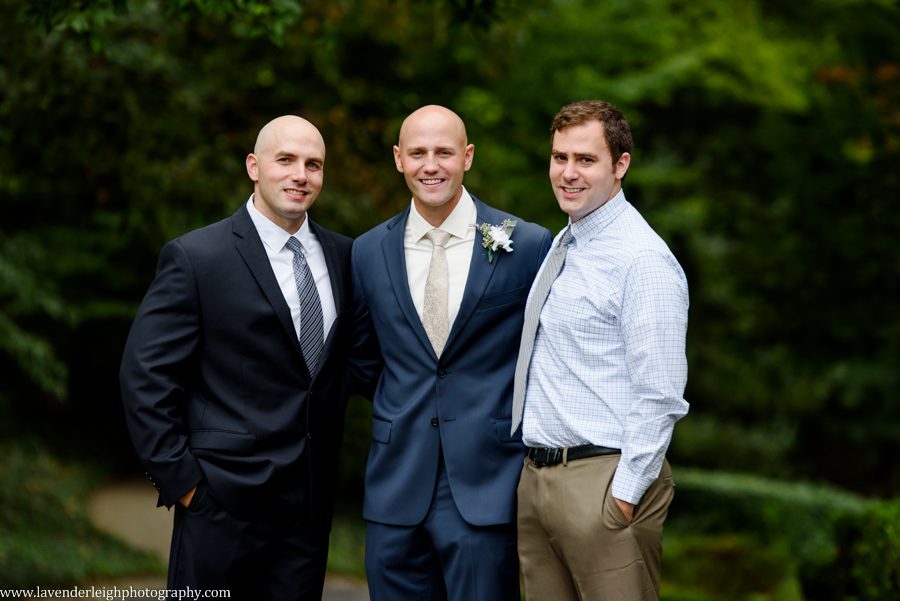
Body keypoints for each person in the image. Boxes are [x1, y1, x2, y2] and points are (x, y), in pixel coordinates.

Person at [119, 115, 353, 600]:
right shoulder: (196, 257)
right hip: (219, 507)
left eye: (313, 164)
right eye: (285, 160)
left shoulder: (345, 257)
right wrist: (184, 483)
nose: (300, 175)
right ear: (253, 166)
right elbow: (145, 376)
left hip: (307, 517)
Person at [349, 105, 552, 600]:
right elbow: (363, 358)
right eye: (417, 152)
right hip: (396, 484)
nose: (431, 165)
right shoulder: (367, 251)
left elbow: (544, 356)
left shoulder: (527, 244)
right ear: (398, 159)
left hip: (487, 485)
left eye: (444, 152)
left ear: (468, 156)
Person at [511, 100, 689, 601]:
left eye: (586, 160)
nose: (568, 173)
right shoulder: (567, 242)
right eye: (560, 157)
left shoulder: (642, 260)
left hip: (603, 484)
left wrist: (624, 497)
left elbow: (660, 395)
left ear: (621, 165)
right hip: (537, 480)